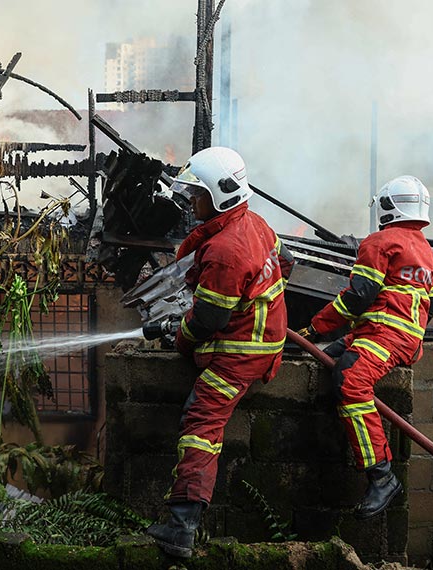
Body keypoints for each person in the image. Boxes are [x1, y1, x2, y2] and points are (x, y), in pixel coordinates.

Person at [146, 146, 293, 558]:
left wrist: (177, 335)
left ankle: (181, 527)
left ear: (219, 196)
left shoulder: (226, 251)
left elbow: (206, 320)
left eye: (197, 195)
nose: (191, 203)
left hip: (240, 353)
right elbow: (287, 261)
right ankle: (183, 522)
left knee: (201, 421)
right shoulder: (255, 223)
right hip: (260, 340)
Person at [299, 175, 433, 520]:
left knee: (349, 380)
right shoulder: (425, 250)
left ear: (388, 207)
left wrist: (316, 325)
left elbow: (358, 297)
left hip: (384, 336)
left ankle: (381, 474)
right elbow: (430, 307)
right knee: (327, 356)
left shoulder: (381, 242)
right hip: (396, 336)